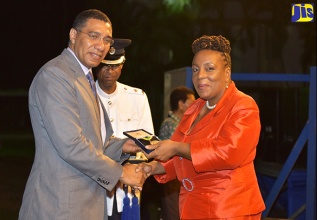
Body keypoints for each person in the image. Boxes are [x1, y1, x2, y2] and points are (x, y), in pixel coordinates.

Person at [19, 9, 147, 220]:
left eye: (106, 40)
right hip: (59, 205)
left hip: (84, 205)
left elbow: (96, 140)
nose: (101, 46)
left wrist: (123, 146)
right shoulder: (56, 74)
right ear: (73, 35)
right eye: (93, 36)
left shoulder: (85, 76)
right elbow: (71, 144)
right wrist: (122, 173)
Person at [138, 35, 265, 219]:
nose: (200, 76)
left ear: (227, 73)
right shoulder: (194, 108)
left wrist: (174, 147)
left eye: (209, 69)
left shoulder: (243, 105)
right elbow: (179, 155)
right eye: (196, 69)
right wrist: (151, 168)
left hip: (228, 210)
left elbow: (227, 152)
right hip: (194, 207)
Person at [94, 38, 154, 219]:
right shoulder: (86, 97)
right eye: (104, 66)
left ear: (122, 65)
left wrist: (133, 171)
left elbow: (147, 144)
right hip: (95, 188)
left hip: (127, 191)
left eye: (114, 66)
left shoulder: (137, 97)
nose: (109, 71)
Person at [158, 86, 195, 220]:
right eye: (191, 102)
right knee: (173, 214)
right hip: (172, 178)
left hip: (179, 178)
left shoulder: (180, 124)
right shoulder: (171, 124)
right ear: (181, 104)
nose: (194, 106)